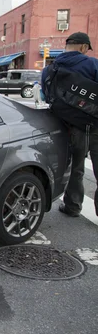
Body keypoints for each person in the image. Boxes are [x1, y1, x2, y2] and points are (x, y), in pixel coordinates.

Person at [41, 32, 98, 217]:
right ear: (83, 47)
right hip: (96, 125)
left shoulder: (51, 68)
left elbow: (45, 96)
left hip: (70, 126)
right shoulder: (93, 64)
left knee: (76, 168)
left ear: (67, 46)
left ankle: (72, 206)